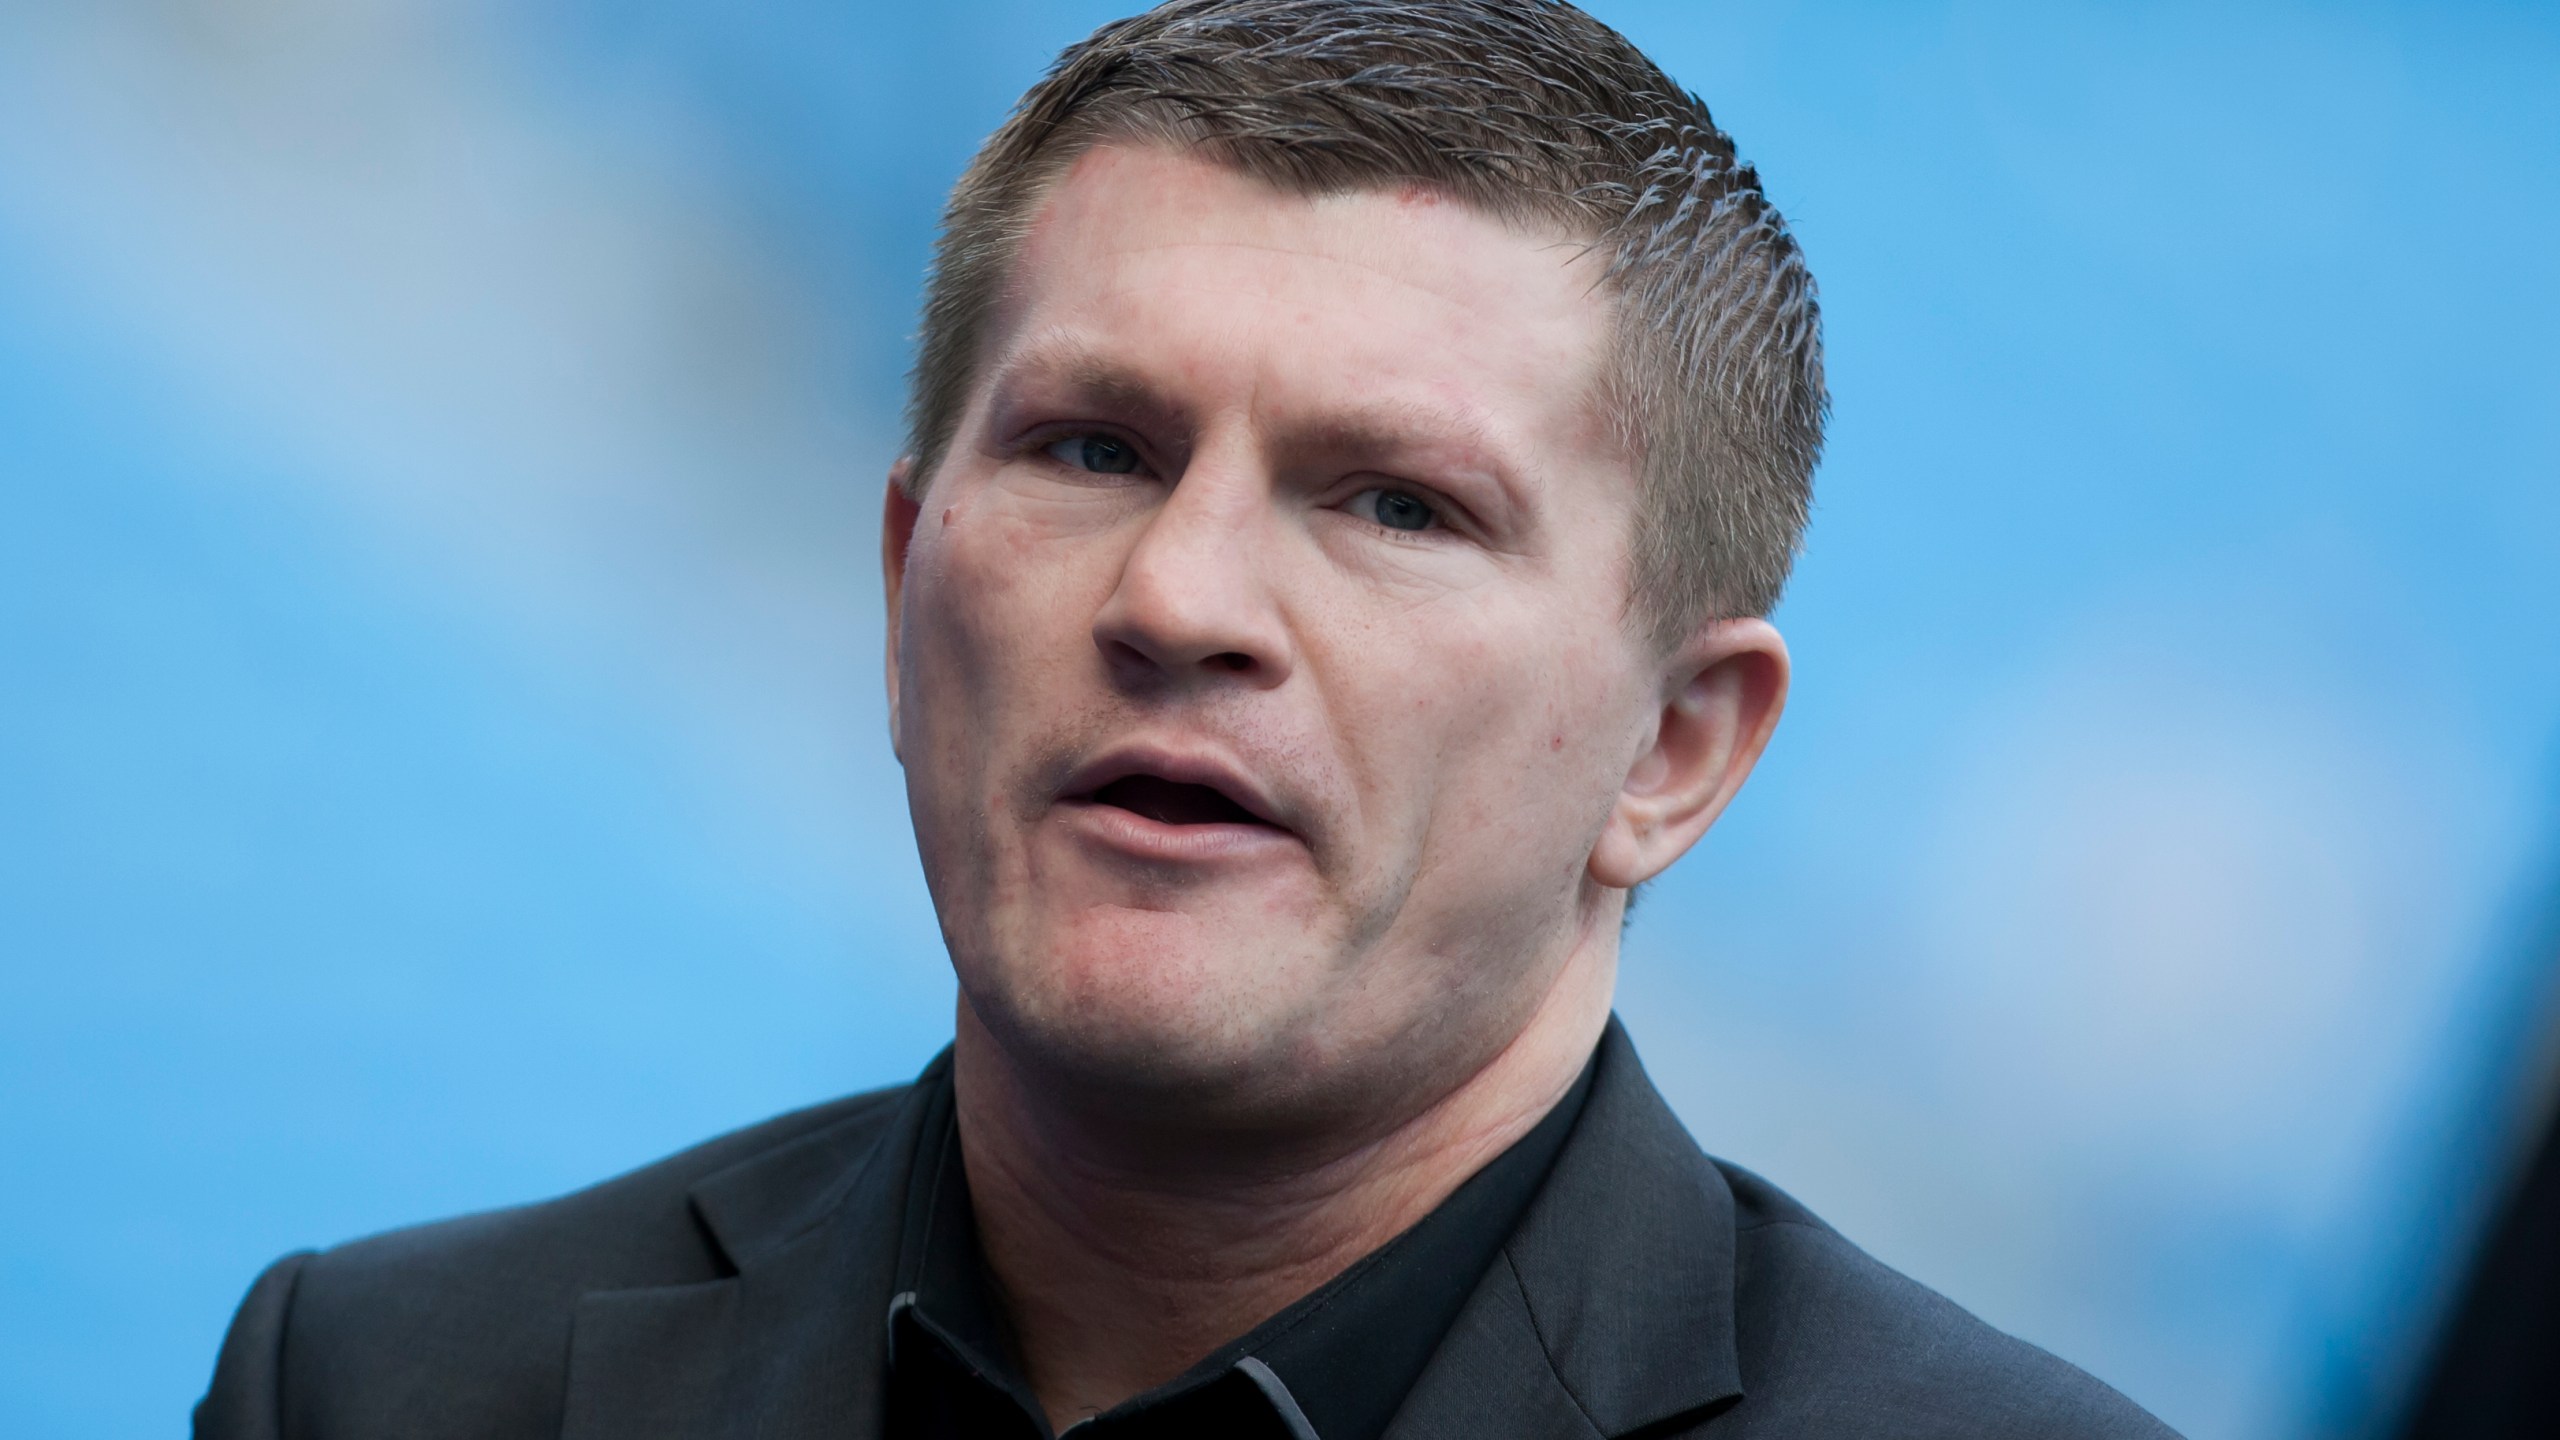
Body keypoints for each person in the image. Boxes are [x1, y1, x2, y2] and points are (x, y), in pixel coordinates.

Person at [196, 2, 2177, 1436]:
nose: (1176, 596)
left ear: (1672, 748)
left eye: (1393, 502)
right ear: (902, 590)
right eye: (1089, 447)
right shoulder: (382, 1385)